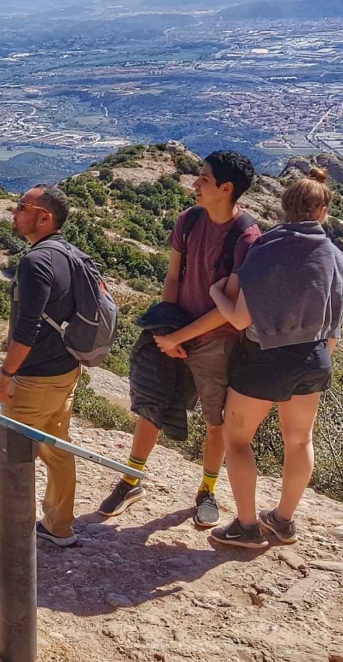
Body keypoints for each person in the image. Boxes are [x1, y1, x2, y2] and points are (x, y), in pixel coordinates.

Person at [97, 151, 261, 527]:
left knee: (216, 421)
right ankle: (131, 480)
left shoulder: (247, 238)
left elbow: (228, 309)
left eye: (204, 179)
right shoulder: (188, 220)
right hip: (176, 330)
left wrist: (178, 338)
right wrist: (166, 329)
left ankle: (207, 490)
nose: (195, 183)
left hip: (218, 341)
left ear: (226, 188)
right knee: (151, 406)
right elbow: (173, 276)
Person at [207, 167, 343, 549]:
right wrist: (319, 359)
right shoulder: (336, 256)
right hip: (314, 357)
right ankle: (283, 521)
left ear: (285, 208)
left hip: (264, 359)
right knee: (300, 440)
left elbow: (240, 318)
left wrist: (215, 292)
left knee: (238, 440)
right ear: (323, 212)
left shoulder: (265, 249)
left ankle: (246, 527)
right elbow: (334, 327)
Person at [0, 184, 83, 565]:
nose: (14, 213)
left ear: (44, 218)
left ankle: (13, 543)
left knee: (13, 456)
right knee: (57, 447)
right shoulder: (70, 254)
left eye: (21, 207)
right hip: (67, 371)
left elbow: (27, 328)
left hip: (35, 378)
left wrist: (6, 374)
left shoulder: (36, 262)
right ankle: (59, 526)